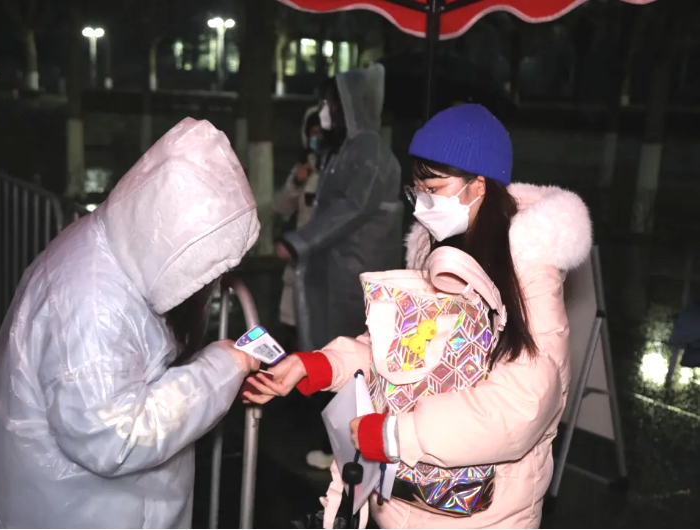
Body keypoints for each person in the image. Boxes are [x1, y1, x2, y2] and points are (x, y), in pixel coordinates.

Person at [245, 104, 593, 528]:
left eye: (435, 188)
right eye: (417, 191)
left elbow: (522, 405)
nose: (421, 206)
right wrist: (320, 365)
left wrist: (396, 435)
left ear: (478, 185)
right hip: (401, 500)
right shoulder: (434, 247)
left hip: (482, 515)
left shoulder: (529, 271)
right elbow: (404, 348)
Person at [0, 118, 261, 529]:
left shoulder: (112, 250)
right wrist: (223, 367)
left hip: (77, 501)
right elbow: (114, 437)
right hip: (75, 510)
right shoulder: (91, 302)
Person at [277, 65, 403, 471]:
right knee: (342, 359)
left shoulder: (369, 152)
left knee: (354, 362)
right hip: (343, 272)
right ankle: (342, 447)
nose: (324, 111)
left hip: (357, 275)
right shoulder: (350, 149)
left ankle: (350, 451)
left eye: (330, 103)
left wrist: (298, 242)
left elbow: (351, 208)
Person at [273, 107, 323, 350]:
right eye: (313, 133)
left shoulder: (341, 169)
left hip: (326, 264)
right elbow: (281, 205)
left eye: (321, 132)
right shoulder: (305, 167)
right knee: (293, 329)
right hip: (299, 260)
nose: (317, 138)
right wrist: (297, 182)